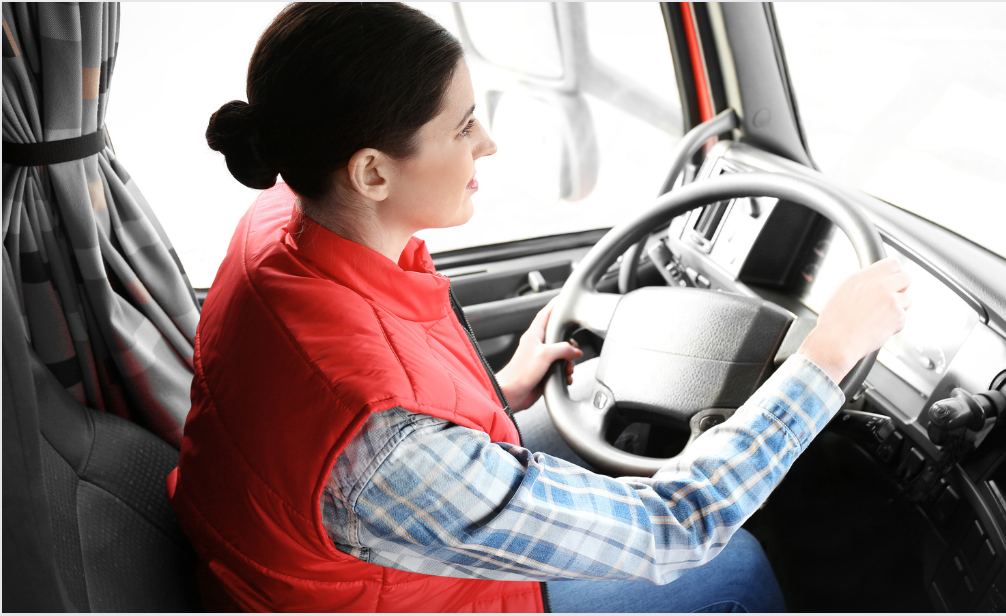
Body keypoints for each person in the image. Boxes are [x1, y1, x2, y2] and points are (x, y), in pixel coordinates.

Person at [167, 3, 911, 612]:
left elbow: (358, 384)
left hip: (323, 562)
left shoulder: (280, 224)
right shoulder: (389, 445)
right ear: (370, 173)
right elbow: (672, 527)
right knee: (734, 565)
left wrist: (495, 393)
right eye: (462, 127)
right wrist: (825, 359)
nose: (486, 144)